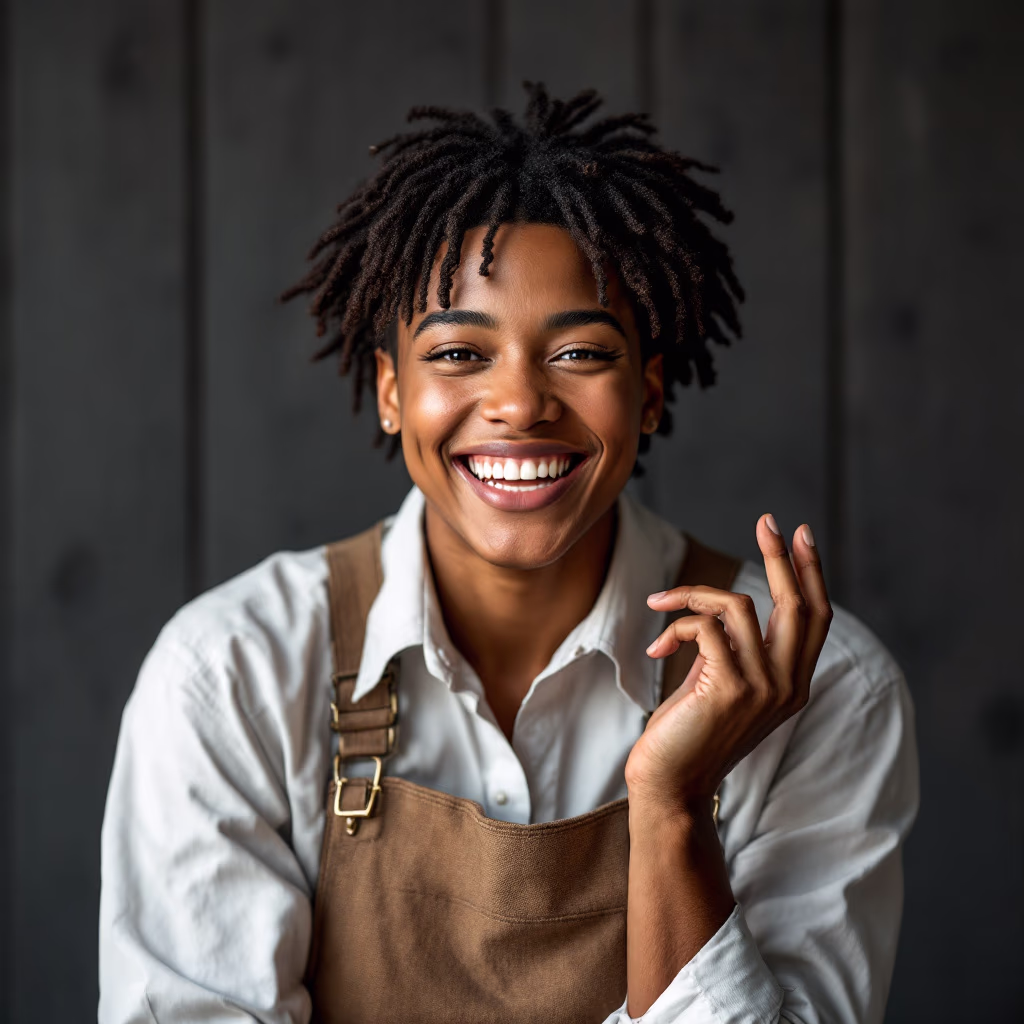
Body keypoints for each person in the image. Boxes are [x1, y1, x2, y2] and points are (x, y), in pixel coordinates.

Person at [99, 83, 918, 1024]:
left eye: (580, 353)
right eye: (457, 354)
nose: (521, 403)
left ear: (649, 395)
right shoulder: (231, 674)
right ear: (390, 392)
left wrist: (674, 807)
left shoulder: (823, 689)